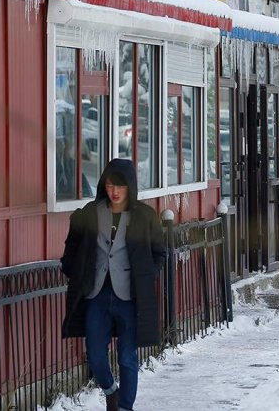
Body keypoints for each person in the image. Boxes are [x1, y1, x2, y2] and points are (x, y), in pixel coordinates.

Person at [60, 159, 167, 411]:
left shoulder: (144, 217)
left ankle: (124, 407)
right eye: (109, 185)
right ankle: (110, 391)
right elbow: (71, 249)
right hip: (96, 293)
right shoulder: (89, 213)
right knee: (95, 354)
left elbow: (159, 253)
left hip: (130, 296)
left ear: (130, 186)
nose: (114, 191)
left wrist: (145, 275)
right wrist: (73, 271)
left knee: (127, 357)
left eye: (119, 186)